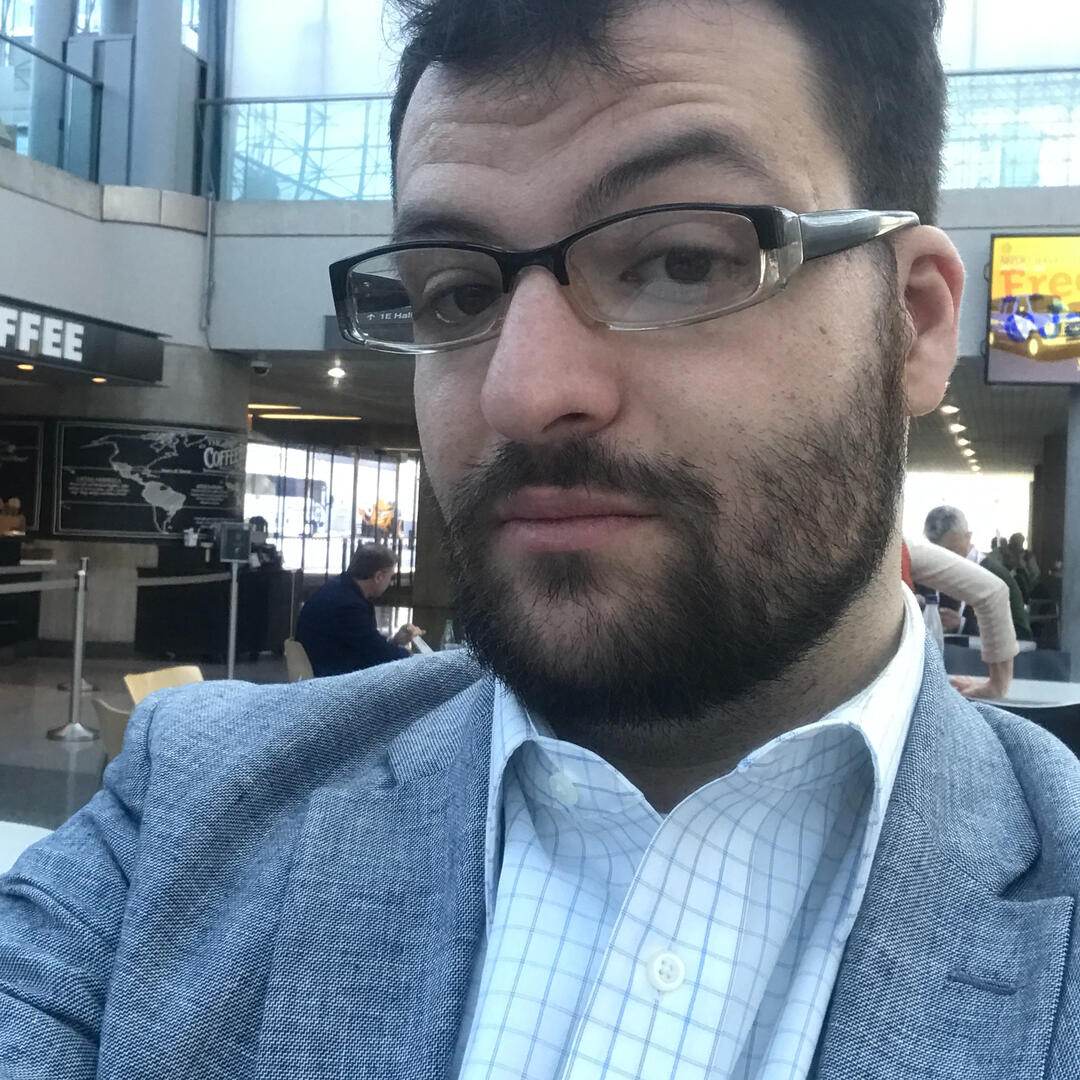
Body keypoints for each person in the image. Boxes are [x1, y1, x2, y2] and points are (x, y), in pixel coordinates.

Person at [3, 1, 1080, 1076]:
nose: (523, 392)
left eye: (680, 261)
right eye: (457, 290)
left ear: (916, 322)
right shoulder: (189, 814)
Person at [906, 537, 1017, 700]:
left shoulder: (896, 550)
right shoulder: (894, 549)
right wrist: (997, 686)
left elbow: (993, 593)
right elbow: (992, 592)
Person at [294, 543, 423, 675]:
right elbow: (378, 654)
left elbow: (366, 644)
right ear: (378, 577)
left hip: (324, 667)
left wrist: (396, 642)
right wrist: (417, 659)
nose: (390, 583)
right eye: (390, 578)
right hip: (332, 679)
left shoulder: (340, 589)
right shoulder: (348, 605)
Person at [923, 505, 1034, 643]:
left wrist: (964, 626)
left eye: (952, 551)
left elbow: (1022, 636)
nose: (945, 559)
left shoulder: (995, 575)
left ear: (968, 537)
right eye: (936, 553)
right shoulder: (927, 575)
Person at [1004, 531, 1041, 601]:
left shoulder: (1027, 556)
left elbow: (1036, 574)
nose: (1016, 546)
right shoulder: (1006, 557)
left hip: (1027, 586)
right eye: (1014, 543)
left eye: (1018, 543)